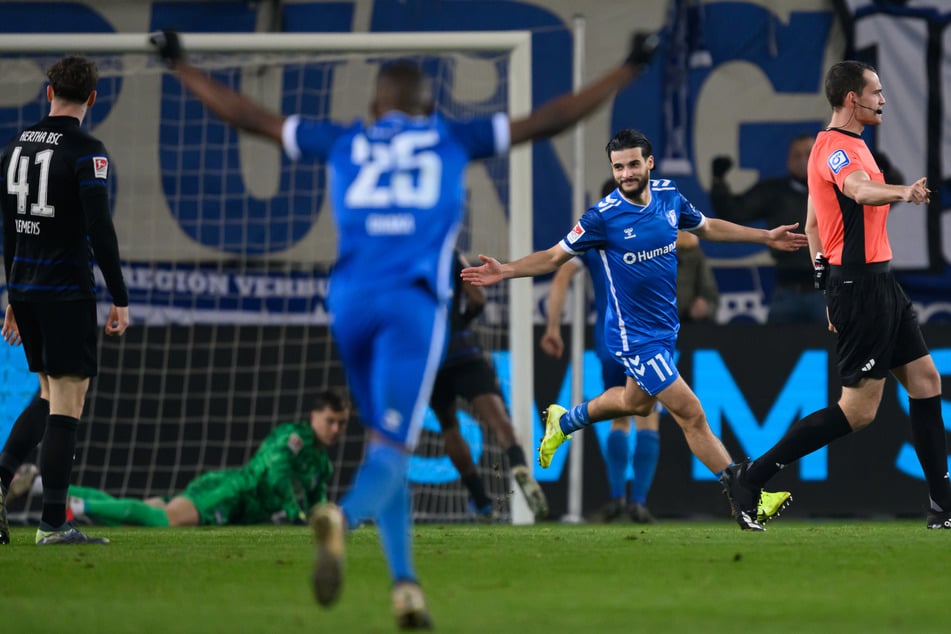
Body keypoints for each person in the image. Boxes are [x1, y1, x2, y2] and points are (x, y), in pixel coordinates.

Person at [150, 28, 660, 628]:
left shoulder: (344, 139)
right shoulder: (448, 137)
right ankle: (340, 520)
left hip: (347, 302)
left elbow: (250, 117)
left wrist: (181, 65)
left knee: (380, 441)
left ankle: (406, 586)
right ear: (430, 108)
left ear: (373, 107)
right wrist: (625, 69)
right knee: (392, 450)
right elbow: (549, 119)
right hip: (409, 308)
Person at [462, 129, 806, 531]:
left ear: (649, 163)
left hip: (664, 330)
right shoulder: (601, 217)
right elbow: (555, 258)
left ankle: (564, 421)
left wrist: (765, 235)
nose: (625, 173)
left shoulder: (669, 198)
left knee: (636, 403)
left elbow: (708, 227)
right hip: (633, 338)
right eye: (618, 166)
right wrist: (506, 269)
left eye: (632, 164)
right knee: (691, 414)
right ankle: (747, 493)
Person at [720, 60, 951, 530]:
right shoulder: (836, 151)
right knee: (858, 412)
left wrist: (827, 290)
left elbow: (812, 225)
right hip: (862, 286)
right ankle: (752, 476)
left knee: (926, 381)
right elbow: (860, 192)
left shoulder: (845, 146)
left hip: (877, 284)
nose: (883, 100)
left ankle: (943, 506)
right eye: (877, 92)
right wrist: (904, 192)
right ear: (853, 99)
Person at [0, 55, 130, 546]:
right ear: (93, 99)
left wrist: (12, 293)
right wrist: (119, 296)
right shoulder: (87, 150)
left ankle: (0, 478)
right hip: (66, 293)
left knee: (48, 395)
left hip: (27, 291)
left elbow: (9, 228)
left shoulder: (13, 146)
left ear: (47, 91)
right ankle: (53, 522)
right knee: (67, 405)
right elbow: (99, 227)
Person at [12, 389, 351, 528]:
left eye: (341, 423)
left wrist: (320, 520)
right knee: (163, 521)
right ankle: (76, 509)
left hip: (239, 507)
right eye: (330, 421)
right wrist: (296, 513)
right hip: (231, 492)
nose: (335, 429)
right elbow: (276, 477)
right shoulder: (292, 439)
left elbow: (318, 501)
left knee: (145, 509)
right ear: (314, 416)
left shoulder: (323, 464)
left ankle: (40, 485)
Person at [542, 181, 660, 524]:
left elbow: (562, 274)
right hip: (643, 336)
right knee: (647, 414)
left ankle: (615, 499)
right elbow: (693, 238)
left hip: (608, 339)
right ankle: (638, 501)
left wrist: (552, 326)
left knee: (619, 415)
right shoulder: (651, 225)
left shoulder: (594, 236)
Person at [431, 251, 548, 522]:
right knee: (499, 420)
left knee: (449, 427)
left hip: (432, 358)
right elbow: (478, 298)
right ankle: (518, 466)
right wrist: (461, 323)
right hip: (465, 351)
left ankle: (482, 501)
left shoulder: (402, 260)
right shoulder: (448, 255)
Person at [710, 134, 827, 324]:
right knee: (773, 349)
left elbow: (873, 203)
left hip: (826, 292)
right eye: (796, 156)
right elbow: (733, 213)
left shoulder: (836, 191)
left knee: (835, 349)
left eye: (808, 153)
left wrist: (883, 175)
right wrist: (718, 181)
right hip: (786, 290)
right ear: (788, 161)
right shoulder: (774, 191)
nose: (802, 160)